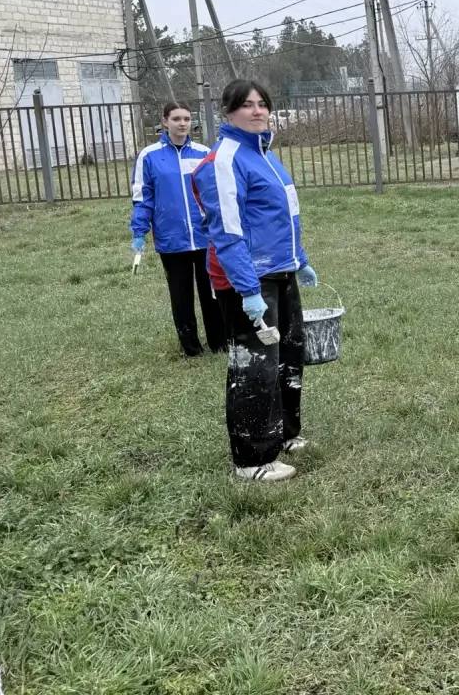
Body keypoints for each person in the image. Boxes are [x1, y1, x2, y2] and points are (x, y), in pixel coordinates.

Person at [192, 79, 319, 483]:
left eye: (263, 103)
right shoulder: (224, 161)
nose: (258, 111)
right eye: (247, 105)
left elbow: (286, 218)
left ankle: (284, 435)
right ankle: (252, 459)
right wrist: (248, 291)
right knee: (254, 368)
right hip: (249, 281)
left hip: (282, 272)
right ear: (228, 112)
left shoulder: (266, 154)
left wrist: (300, 260)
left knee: (288, 358)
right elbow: (228, 234)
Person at [129, 102, 226, 358]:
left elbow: (216, 192)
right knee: (180, 295)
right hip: (172, 238)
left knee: (212, 293)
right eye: (176, 118)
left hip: (205, 237)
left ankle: (219, 342)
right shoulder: (149, 156)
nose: (182, 123)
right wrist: (139, 230)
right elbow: (143, 196)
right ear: (165, 122)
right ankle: (190, 347)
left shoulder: (203, 152)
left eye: (186, 118)